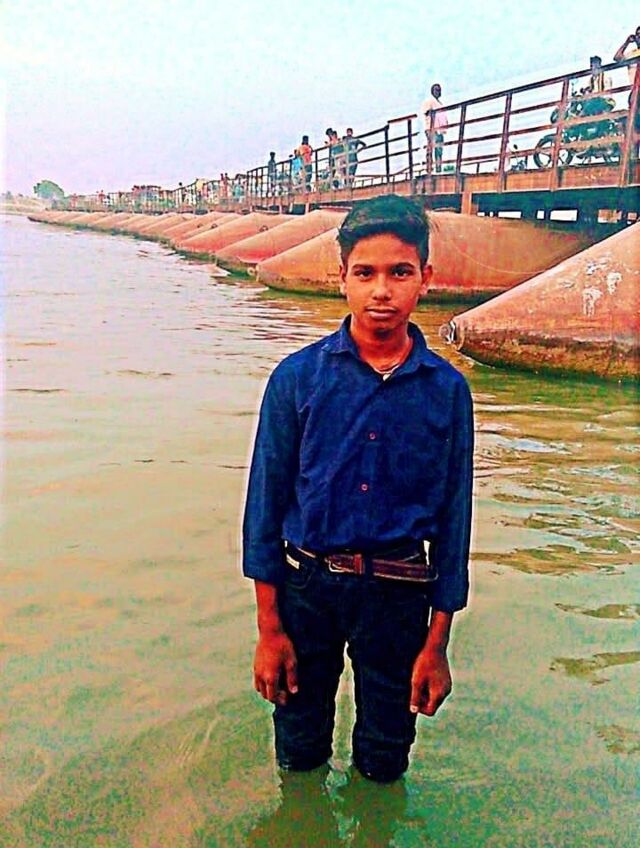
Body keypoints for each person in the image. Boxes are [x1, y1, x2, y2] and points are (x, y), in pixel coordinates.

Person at [243, 194, 474, 784]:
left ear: (426, 278)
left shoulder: (447, 391)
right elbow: (264, 510)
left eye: (400, 273)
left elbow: (455, 524)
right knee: (298, 751)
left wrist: (437, 643)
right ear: (341, 276)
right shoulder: (297, 379)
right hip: (306, 589)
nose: (382, 292)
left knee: (385, 757)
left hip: (400, 593)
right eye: (365, 274)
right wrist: (269, 629)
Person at [421, 83, 449, 173]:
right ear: (432, 91)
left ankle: (438, 168)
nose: (439, 92)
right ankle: (429, 168)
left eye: (439, 90)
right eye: (437, 90)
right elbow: (426, 112)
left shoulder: (440, 103)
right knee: (431, 148)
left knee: (439, 149)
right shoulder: (429, 101)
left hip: (440, 130)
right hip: (432, 128)